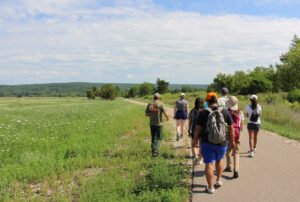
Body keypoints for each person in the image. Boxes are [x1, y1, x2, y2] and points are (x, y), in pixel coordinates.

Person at [194, 92, 235, 194]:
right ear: (216, 100)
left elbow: (197, 129)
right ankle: (218, 180)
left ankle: (210, 187)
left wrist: (195, 141)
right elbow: (231, 128)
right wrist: (232, 141)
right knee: (220, 159)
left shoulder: (203, 113)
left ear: (207, 101)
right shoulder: (225, 112)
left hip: (207, 142)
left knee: (209, 163)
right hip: (222, 142)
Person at [224, 96, 243, 178]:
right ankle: (236, 169)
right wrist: (240, 134)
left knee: (227, 151)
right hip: (238, 133)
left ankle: (229, 166)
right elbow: (241, 125)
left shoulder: (227, 112)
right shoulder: (240, 112)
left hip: (229, 134)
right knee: (236, 152)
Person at [145, 93, 169, 157]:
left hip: (152, 123)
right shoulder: (161, 104)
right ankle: (156, 150)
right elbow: (165, 112)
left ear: (154, 97)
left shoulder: (149, 104)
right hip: (159, 123)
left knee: (153, 137)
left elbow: (146, 114)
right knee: (159, 137)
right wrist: (167, 117)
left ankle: (153, 150)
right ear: (159, 98)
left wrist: (152, 112)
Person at [188, 97, 204, 164]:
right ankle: (200, 159)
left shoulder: (192, 111)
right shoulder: (204, 111)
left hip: (194, 128)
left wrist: (189, 130)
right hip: (202, 128)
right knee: (201, 144)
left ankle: (195, 156)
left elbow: (190, 121)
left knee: (194, 143)